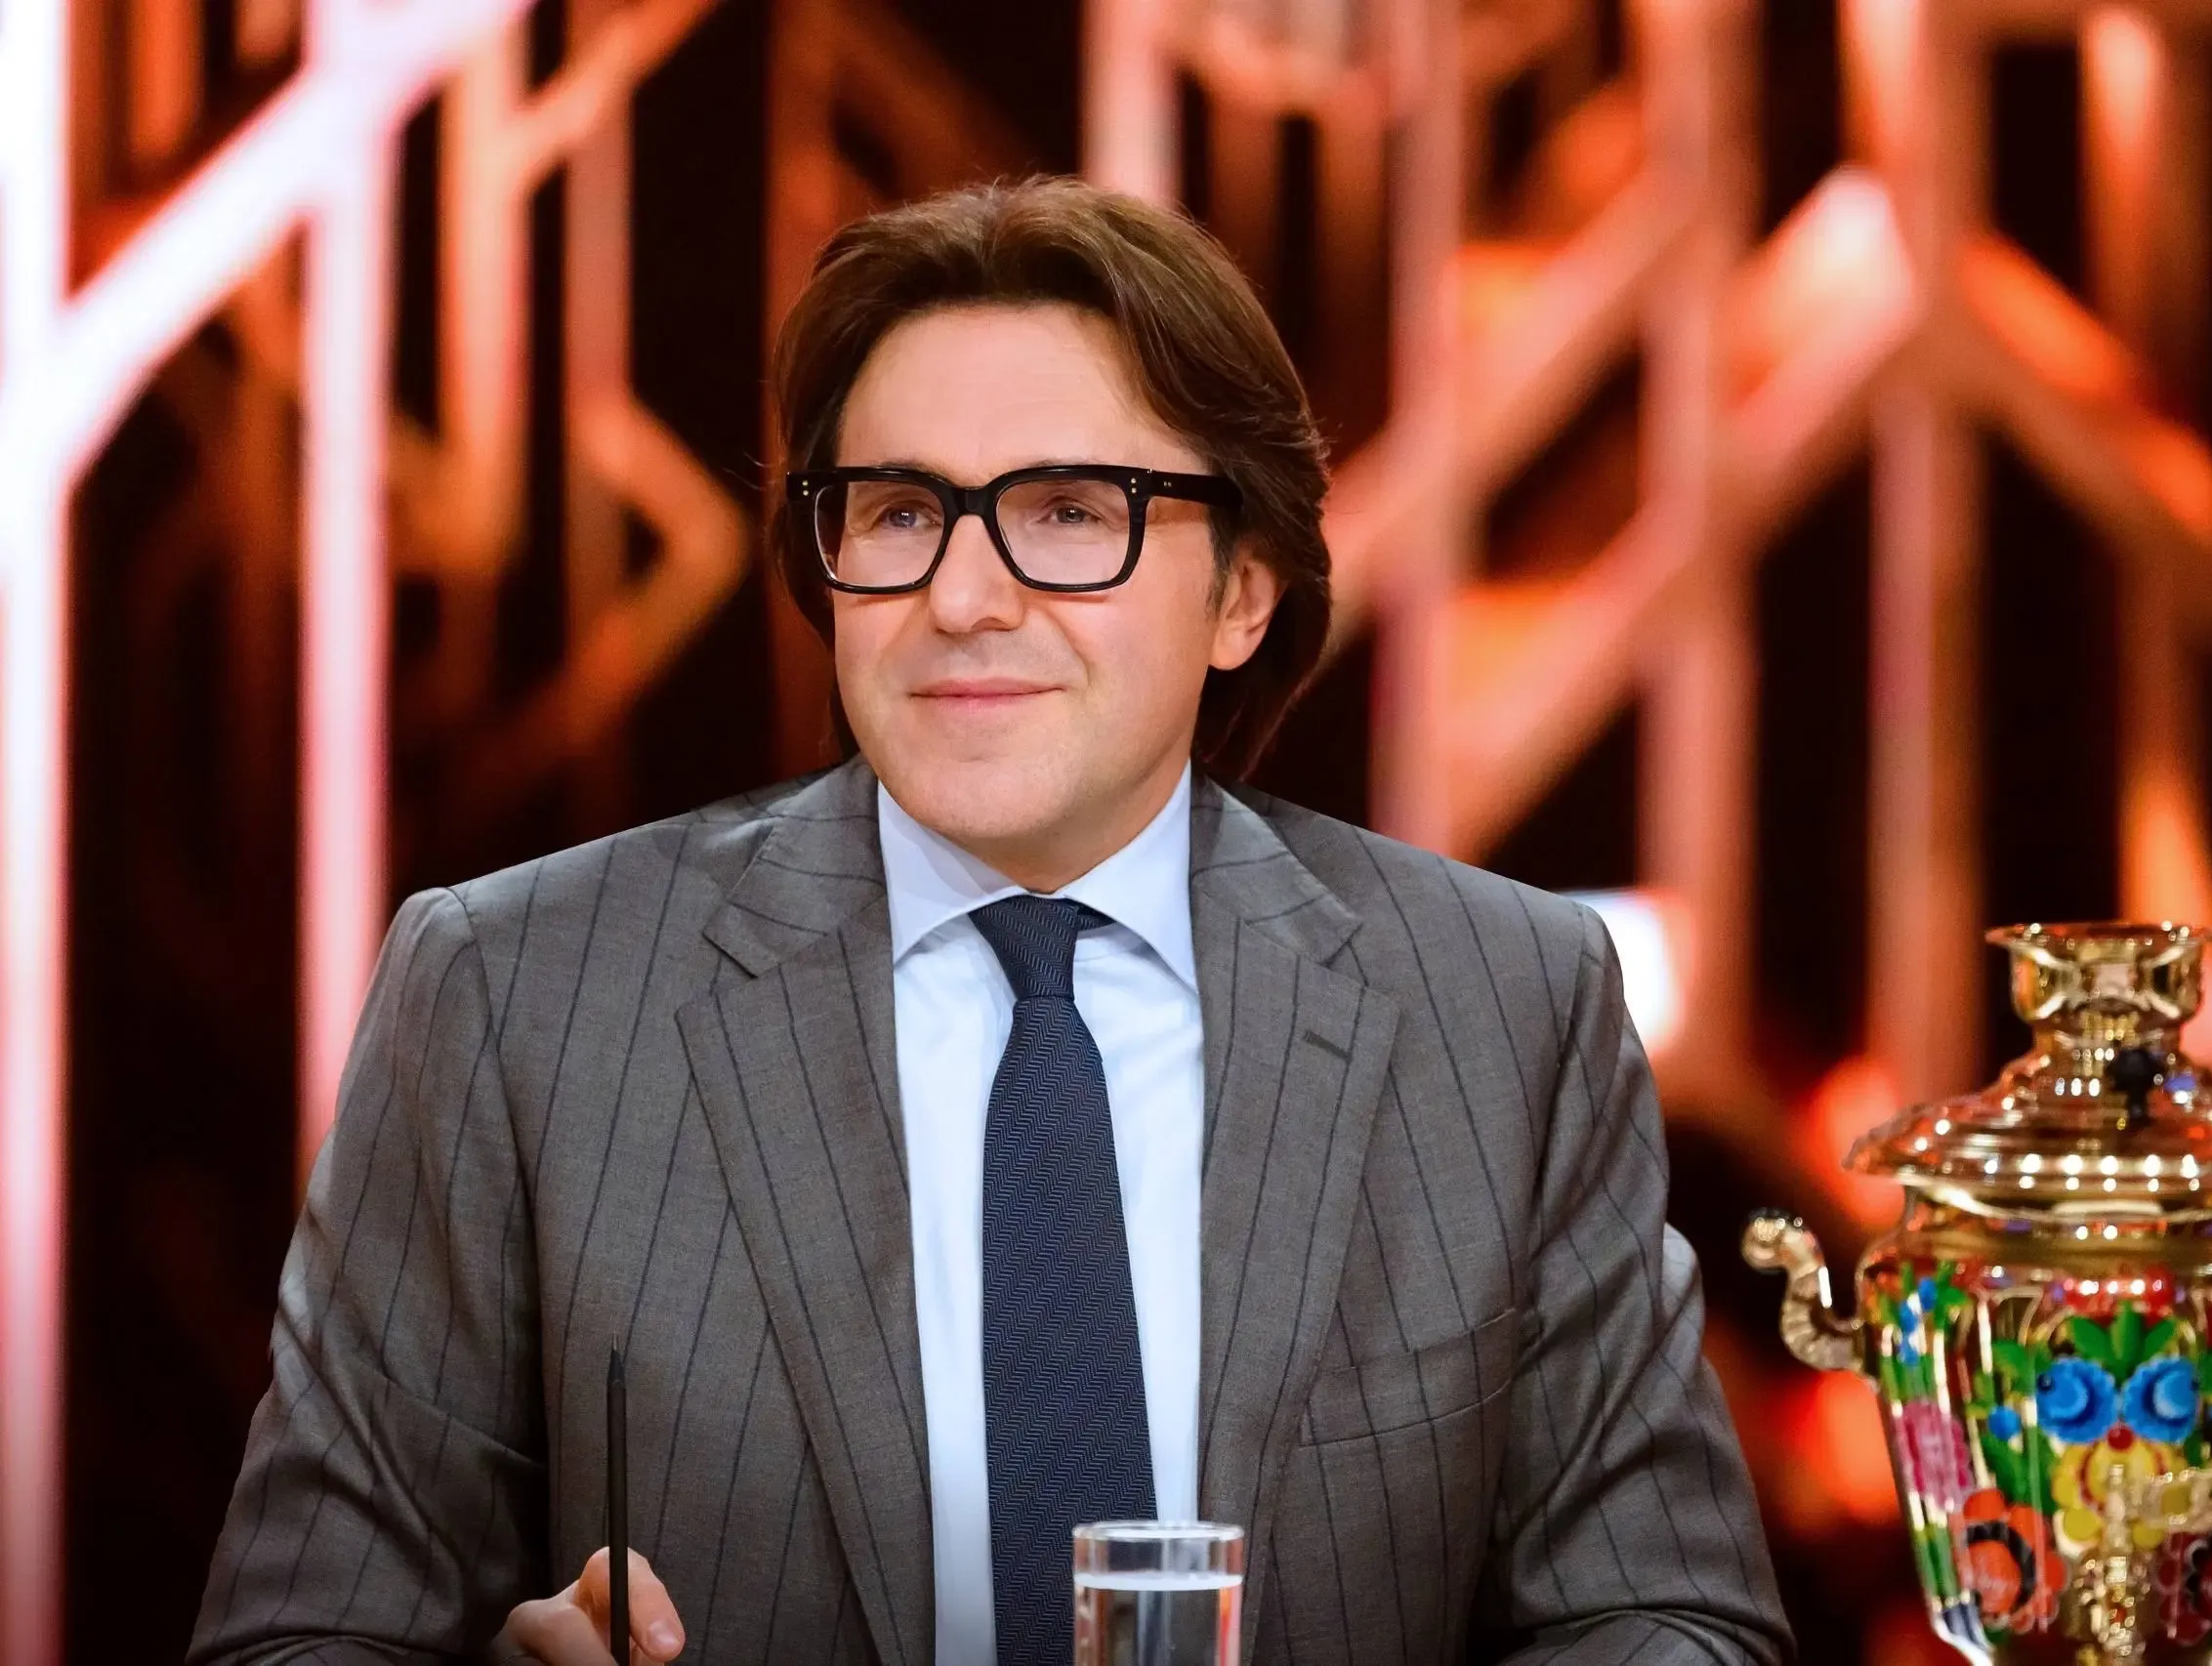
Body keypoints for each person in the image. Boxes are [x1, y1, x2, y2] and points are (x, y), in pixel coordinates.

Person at [189, 177, 1792, 1666]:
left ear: (1244, 589)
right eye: (898, 513)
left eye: (1072, 511)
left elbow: (1667, 1613)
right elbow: (300, 1632)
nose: (960, 597)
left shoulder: (1502, 1008)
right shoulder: (518, 997)